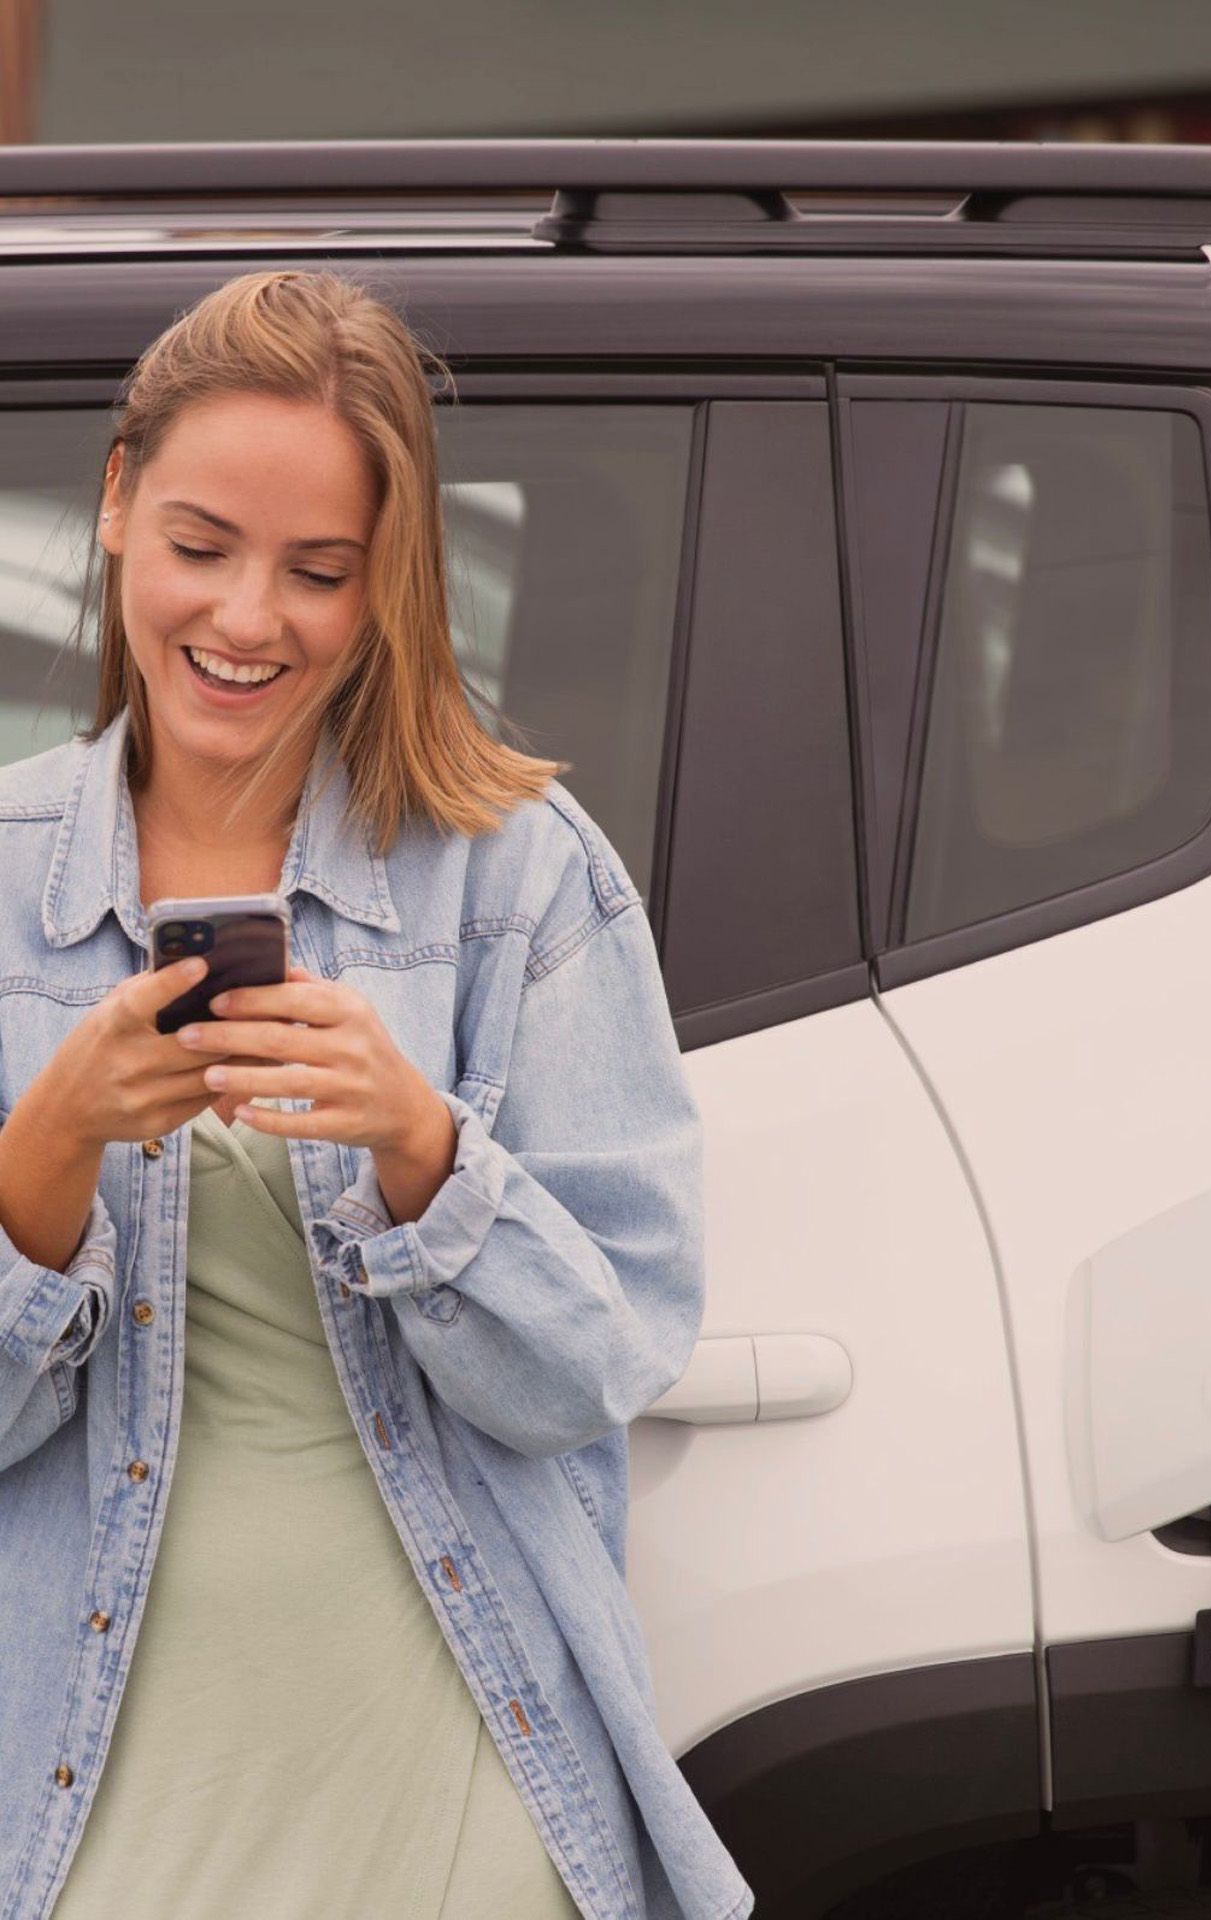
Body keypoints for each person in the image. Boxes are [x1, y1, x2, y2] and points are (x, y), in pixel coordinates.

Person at [0, 268, 755, 1920]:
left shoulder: (517, 876)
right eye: (202, 545)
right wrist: (47, 1143)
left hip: (448, 1751)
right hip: (71, 1773)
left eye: (318, 571)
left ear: (386, 581)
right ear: (117, 502)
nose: (248, 617)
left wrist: (422, 1149)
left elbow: (602, 1358)